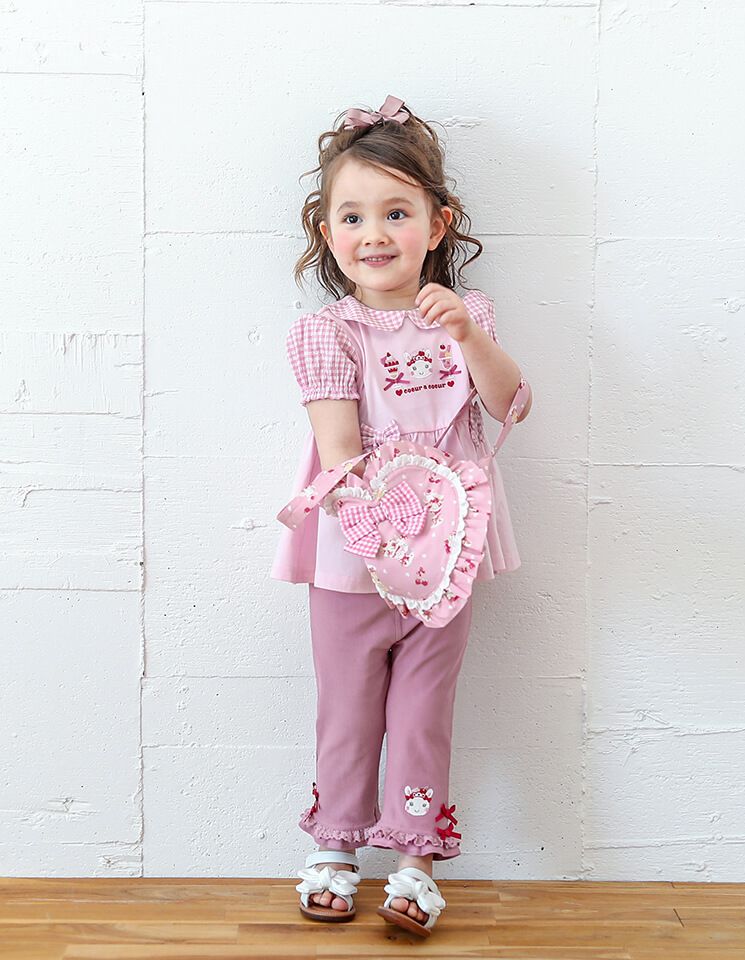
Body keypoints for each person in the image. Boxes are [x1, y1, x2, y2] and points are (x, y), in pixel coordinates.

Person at [270, 94, 532, 937]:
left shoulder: (468, 315)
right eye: (352, 216)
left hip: (448, 547)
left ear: (436, 223)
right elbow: (340, 449)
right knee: (348, 703)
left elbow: (510, 405)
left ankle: (415, 860)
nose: (374, 233)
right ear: (327, 232)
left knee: (424, 706)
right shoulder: (327, 334)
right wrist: (386, 529)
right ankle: (336, 848)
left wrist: (469, 338)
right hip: (358, 546)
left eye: (396, 212)